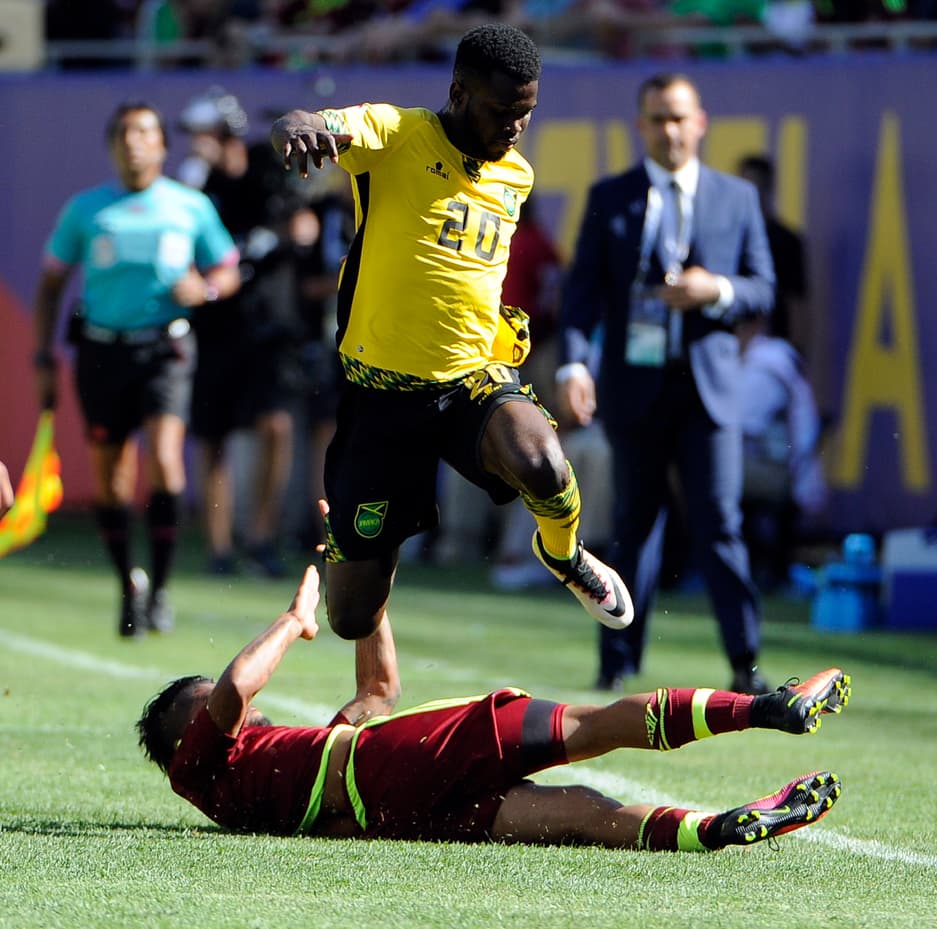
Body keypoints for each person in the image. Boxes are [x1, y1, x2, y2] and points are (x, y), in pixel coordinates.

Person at [268, 23, 633, 643]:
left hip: (470, 378)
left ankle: (564, 554)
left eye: (526, 112)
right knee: (352, 619)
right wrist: (296, 128)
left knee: (543, 461)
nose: (515, 127)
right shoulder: (397, 133)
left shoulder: (515, 175)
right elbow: (302, 122)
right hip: (381, 395)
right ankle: (352, 535)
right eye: (501, 110)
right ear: (459, 92)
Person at [136, 563, 850, 849]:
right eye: (207, 712)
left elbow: (378, 692)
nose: (246, 715)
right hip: (397, 762)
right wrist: (296, 620)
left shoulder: (280, 773)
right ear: (184, 740)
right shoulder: (203, 770)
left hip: (397, 814)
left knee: (583, 812)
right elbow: (236, 687)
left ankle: (716, 829)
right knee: (589, 728)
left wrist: (361, 573)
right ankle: (765, 708)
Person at [558, 73, 776, 694]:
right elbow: (581, 296)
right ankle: (616, 663)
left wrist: (716, 290)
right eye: (657, 119)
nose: (669, 130)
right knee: (633, 525)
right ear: (641, 125)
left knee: (720, 523)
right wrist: (574, 364)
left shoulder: (736, 197)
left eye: (678, 117)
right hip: (635, 387)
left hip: (709, 389)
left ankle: (746, 664)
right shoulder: (612, 197)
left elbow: (764, 288)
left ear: (700, 122)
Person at [32, 101, 241, 638]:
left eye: (145, 132)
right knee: (112, 477)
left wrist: (206, 288)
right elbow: (51, 284)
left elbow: (227, 268)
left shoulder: (189, 206)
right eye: (124, 133)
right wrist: (42, 356)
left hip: (166, 350)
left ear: (163, 145)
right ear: (111, 145)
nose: (134, 142)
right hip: (102, 353)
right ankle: (128, 584)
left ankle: (162, 589)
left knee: (167, 462)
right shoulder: (86, 210)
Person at [179, 86, 306, 578]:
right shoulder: (197, 186)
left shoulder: (265, 168)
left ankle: (261, 538)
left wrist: (284, 232)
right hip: (215, 326)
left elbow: (300, 225)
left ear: (225, 133)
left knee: (276, 426)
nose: (197, 144)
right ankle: (219, 547)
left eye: (203, 134)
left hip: (269, 323)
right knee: (213, 435)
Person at [737, 313, 828, 591]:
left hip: (780, 470)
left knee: (695, 472)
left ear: (754, 326)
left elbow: (741, 420)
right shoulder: (774, 357)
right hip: (783, 466)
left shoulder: (766, 362)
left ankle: (700, 568)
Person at [736, 154, 807, 344]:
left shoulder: (786, 240)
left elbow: (797, 301)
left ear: (768, 188)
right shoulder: (726, 238)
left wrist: (798, 346)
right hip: (731, 345)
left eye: (755, 186)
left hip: (773, 343)